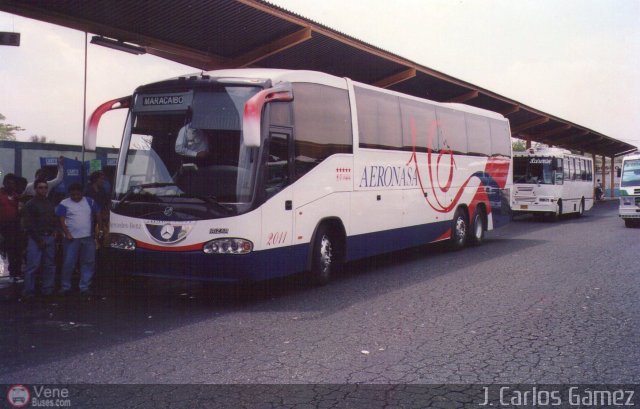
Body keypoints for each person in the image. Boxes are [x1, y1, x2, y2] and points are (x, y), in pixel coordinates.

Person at [56, 183, 101, 298]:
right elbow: (61, 220)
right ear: (69, 194)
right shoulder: (64, 203)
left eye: (78, 194)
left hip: (88, 238)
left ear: (82, 193)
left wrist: (98, 229)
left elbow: (98, 214)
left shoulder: (90, 201)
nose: (75, 197)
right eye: (73, 195)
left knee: (88, 262)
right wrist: (67, 233)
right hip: (71, 239)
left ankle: (84, 287)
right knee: (68, 263)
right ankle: (65, 287)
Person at [21, 178, 61, 299]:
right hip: (35, 238)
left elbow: (54, 219)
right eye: (40, 187)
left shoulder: (50, 202)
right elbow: (28, 225)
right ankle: (28, 292)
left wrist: (55, 231)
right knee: (32, 266)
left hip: (49, 237)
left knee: (49, 265)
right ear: (35, 189)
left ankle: (47, 290)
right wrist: (38, 239)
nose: (43, 190)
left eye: (45, 187)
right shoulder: (30, 204)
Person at [0, 174, 21, 283]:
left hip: (14, 226)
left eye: (13, 183)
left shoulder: (16, 196)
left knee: (14, 249)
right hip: (2, 225)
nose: (11, 185)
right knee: (8, 249)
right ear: (4, 183)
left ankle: (14, 274)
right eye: (9, 183)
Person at [84, 171, 110, 248]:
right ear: (95, 179)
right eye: (101, 179)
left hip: (101, 219)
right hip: (90, 219)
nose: (103, 181)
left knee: (102, 237)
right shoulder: (87, 190)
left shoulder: (102, 190)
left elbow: (106, 202)